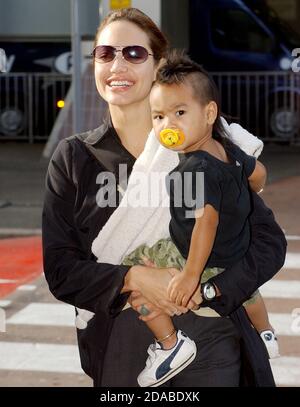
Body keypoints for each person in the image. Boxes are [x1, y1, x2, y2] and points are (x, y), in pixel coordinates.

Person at [42, 8, 286, 387]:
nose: (117, 64)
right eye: (105, 53)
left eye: (134, 53)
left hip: (214, 336)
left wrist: (205, 289)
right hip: (123, 342)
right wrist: (135, 277)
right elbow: (61, 271)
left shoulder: (206, 143)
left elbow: (268, 243)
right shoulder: (75, 158)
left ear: (157, 63)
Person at [119, 51, 279, 387]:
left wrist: (190, 275)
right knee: (249, 292)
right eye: (159, 117)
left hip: (199, 258)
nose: (168, 126)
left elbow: (205, 221)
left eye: (179, 113)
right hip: (234, 252)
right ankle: (265, 333)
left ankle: (170, 345)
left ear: (209, 113)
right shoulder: (227, 151)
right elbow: (259, 175)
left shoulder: (193, 169)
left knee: (130, 269)